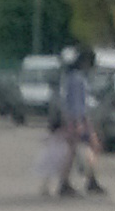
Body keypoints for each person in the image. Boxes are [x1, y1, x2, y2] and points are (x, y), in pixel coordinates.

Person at [44, 48, 105, 198]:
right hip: (78, 120)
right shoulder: (78, 79)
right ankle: (84, 181)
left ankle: (75, 181)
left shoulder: (71, 77)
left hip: (72, 120)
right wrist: (80, 123)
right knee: (88, 148)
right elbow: (78, 104)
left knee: (75, 152)